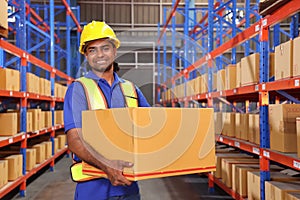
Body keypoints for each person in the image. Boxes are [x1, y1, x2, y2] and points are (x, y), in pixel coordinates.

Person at [64, 21, 150, 200]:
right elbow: (74, 140)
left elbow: (151, 130)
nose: (99, 55)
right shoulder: (79, 89)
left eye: (105, 48)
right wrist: (108, 166)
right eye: (92, 50)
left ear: (114, 51)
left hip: (129, 188)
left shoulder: (131, 90)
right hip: (93, 189)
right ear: (86, 55)